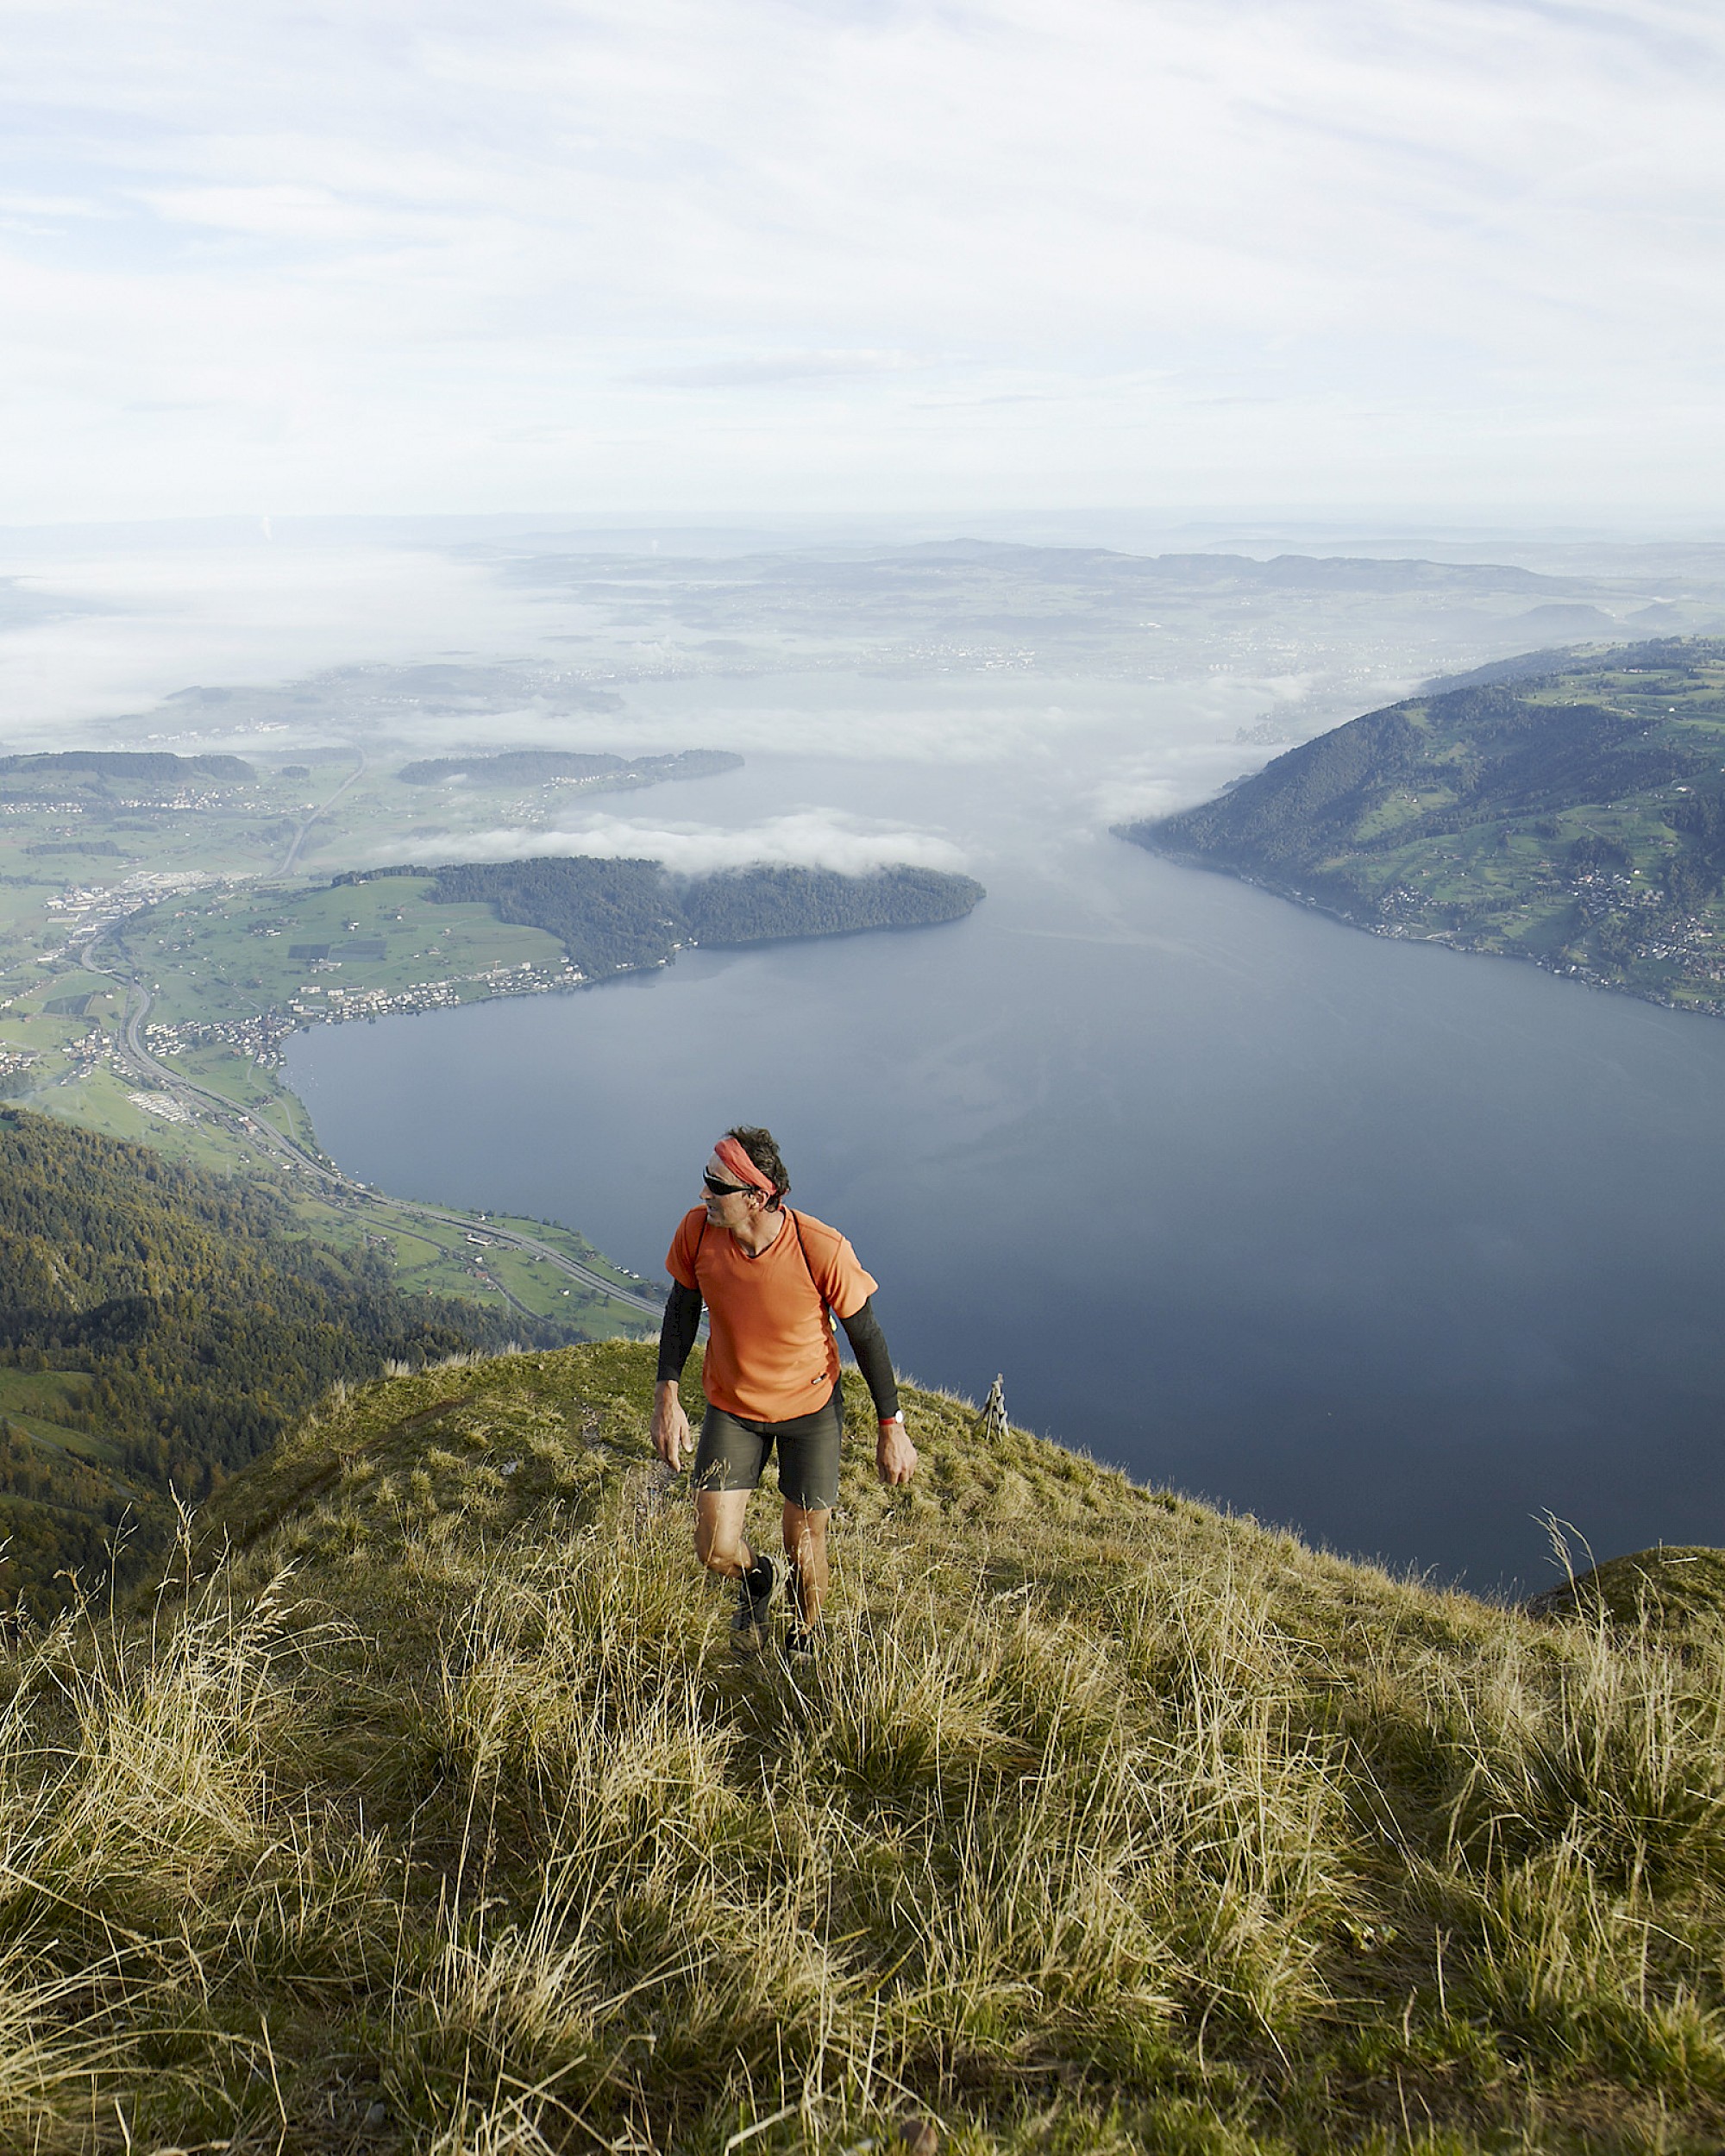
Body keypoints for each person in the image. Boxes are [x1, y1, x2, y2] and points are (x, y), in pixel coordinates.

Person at [651, 1125, 917, 1657]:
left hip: (810, 1411)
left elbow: (866, 1336)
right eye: (705, 1179)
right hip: (733, 1406)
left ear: (756, 1197)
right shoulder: (697, 1232)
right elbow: (681, 1310)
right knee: (714, 1547)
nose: (703, 1193)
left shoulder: (820, 1247)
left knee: (805, 1541)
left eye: (716, 1185)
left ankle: (805, 1636)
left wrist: (892, 1427)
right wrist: (667, 1396)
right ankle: (757, 1578)